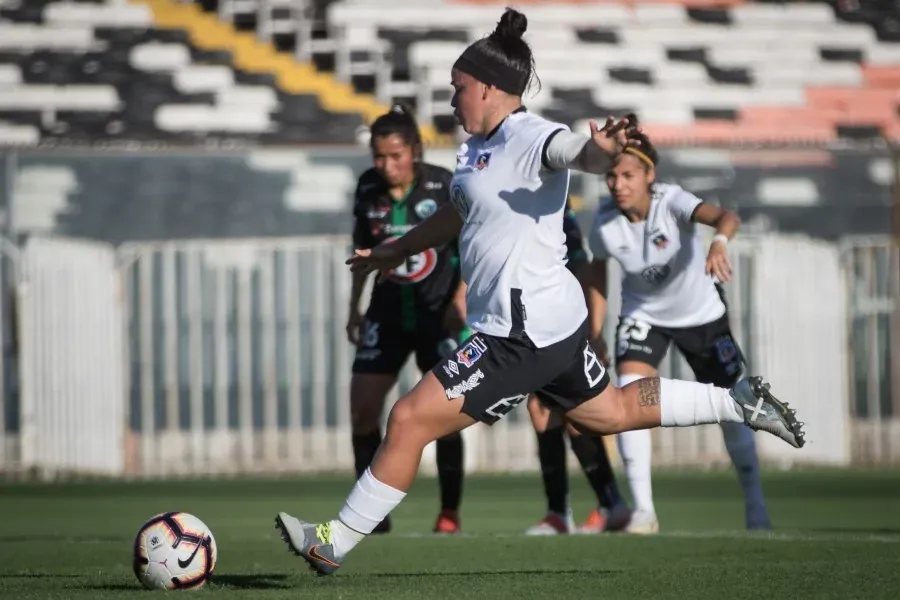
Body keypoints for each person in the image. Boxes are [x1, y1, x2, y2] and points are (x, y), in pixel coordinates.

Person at [274, 8, 805, 576]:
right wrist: (394, 251)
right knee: (609, 413)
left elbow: (579, 153)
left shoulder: (533, 136)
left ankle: (331, 542)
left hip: (519, 331)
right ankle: (739, 401)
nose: (452, 101)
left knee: (407, 419)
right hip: (550, 321)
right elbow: (461, 211)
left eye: (458, 90)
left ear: (487, 87)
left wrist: (601, 150)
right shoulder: (476, 147)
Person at [585, 120, 772, 532]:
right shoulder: (603, 223)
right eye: (612, 175)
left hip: (700, 315)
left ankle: (756, 506)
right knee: (626, 397)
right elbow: (596, 276)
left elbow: (726, 217)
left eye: (628, 175)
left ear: (650, 176)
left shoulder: (672, 202)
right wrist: (594, 331)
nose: (618, 183)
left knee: (731, 404)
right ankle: (644, 511)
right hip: (644, 316)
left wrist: (719, 243)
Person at [346, 104, 467, 535]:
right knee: (363, 411)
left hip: (439, 316)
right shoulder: (367, 189)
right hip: (387, 313)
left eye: (395, 156)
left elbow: (469, 246)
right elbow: (363, 251)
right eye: (379, 157)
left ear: (414, 150)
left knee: (446, 412)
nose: (386, 165)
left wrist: (462, 297)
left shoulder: (445, 185)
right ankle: (374, 517)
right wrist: (354, 308)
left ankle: (449, 513)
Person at [524, 200, 631, 535]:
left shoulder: (551, 209)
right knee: (543, 410)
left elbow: (583, 268)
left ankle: (609, 505)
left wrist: (591, 333)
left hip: (562, 327)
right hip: (534, 327)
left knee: (574, 413)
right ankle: (566, 512)